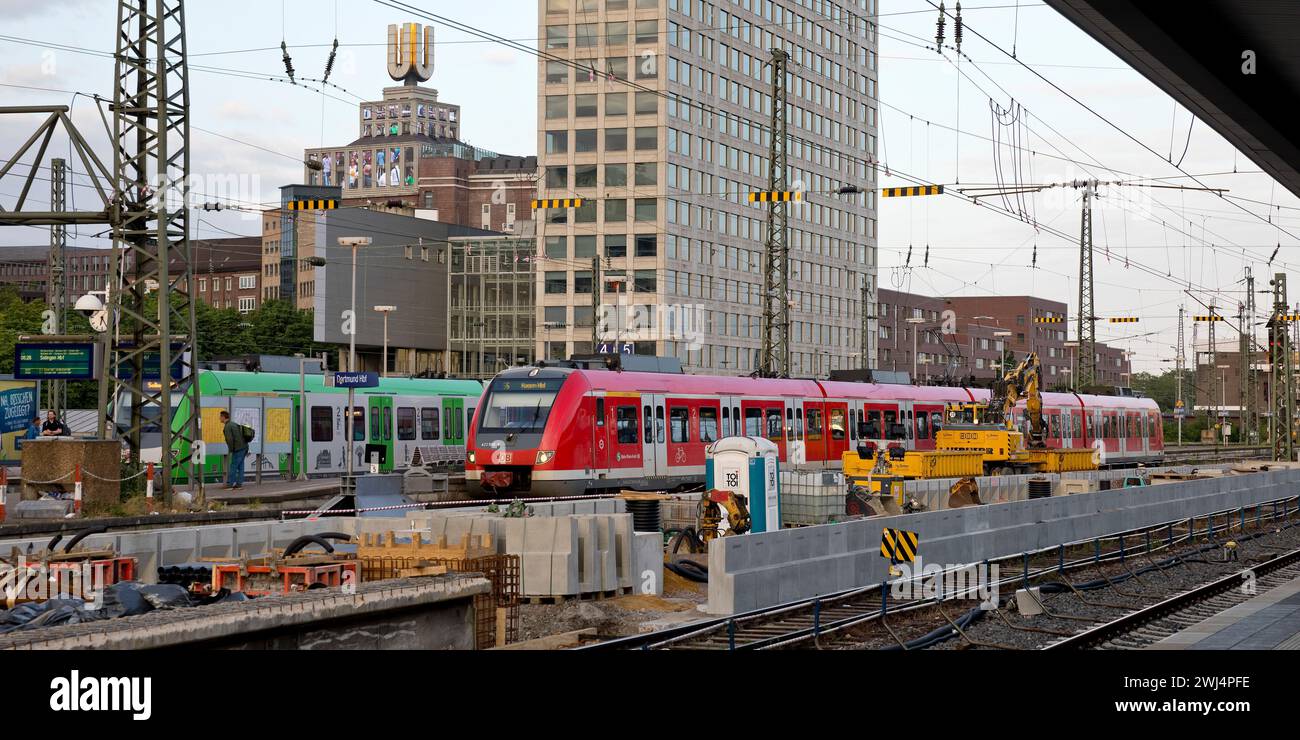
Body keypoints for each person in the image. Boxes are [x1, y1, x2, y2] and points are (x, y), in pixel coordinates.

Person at [220, 410, 247, 490]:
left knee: (233, 466)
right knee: (241, 466)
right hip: (244, 447)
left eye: (220, 417)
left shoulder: (227, 426)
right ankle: (239, 484)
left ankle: (230, 484)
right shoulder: (233, 424)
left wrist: (231, 450)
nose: (219, 418)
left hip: (238, 449)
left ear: (223, 417)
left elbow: (229, 439)